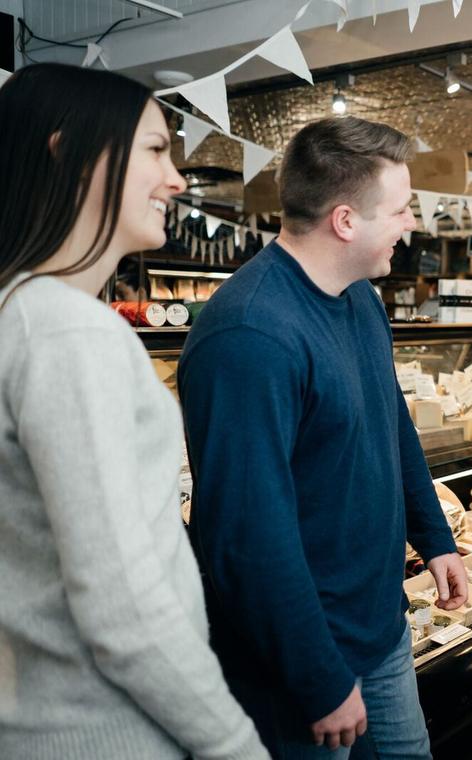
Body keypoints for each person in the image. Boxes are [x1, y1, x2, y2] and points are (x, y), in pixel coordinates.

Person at [0, 64, 267, 759]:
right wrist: (234, 742)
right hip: (106, 729)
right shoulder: (67, 331)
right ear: (70, 156)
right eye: (154, 148)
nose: (178, 180)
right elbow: (123, 606)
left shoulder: (20, 314)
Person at [178, 117, 467, 759]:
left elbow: (391, 426)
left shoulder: (360, 298)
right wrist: (316, 677)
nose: (411, 225)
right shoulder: (249, 335)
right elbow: (246, 537)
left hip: (380, 628)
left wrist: (435, 537)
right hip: (298, 660)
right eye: (400, 209)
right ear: (345, 221)